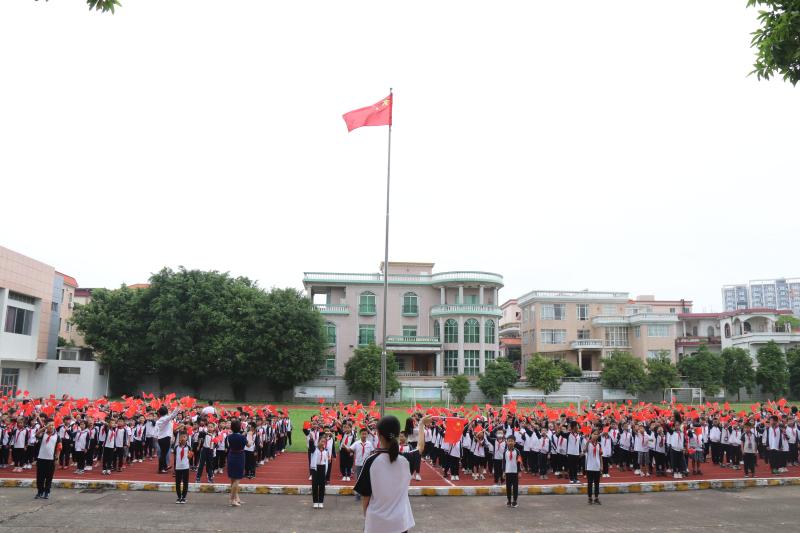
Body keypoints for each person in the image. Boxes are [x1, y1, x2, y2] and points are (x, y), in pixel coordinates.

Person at [354, 415, 416, 533]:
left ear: (379, 435)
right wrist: (421, 425)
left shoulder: (371, 461)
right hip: (401, 522)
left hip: (377, 523)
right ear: (398, 434)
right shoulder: (407, 460)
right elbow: (420, 448)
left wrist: (367, 516)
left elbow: (366, 497)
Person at [35, 421, 60, 500]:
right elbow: (37, 434)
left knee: (49, 477)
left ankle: (47, 492)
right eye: (49, 425)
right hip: (41, 458)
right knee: (40, 477)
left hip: (50, 459)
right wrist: (44, 428)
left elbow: (59, 448)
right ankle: (40, 491)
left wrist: (57, 458)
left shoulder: (57, 436)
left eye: (52, 425)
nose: (51, 427)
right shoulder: (43, 434)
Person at [225, 419, 247, 507]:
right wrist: (247, 435)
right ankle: (232, 499)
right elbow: (249, 444)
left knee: (233, 479)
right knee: (237, 479)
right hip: (239, 456)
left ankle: (236, 498)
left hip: (231, 455)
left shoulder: (229, 436)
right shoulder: (242, 437)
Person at [155, 406, 182, 473]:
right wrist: (177, 407)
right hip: (165, 438)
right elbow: (172, 415)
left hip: (161, 438)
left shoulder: (159, 420)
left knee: (163, 453)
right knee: (163, 454)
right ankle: (161, 469)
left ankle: (164, 466)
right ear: (166, 412)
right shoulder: (165, 419)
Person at [352, 427, 374, 502]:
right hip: (358, 464)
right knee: (358, 479)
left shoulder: (369, 443)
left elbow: (372, 452)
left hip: (366, 464)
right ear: (360, 434)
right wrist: (345, 447)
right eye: (362, 434)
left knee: (367, 479)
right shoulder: (356, 443)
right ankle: (357, 495)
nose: (364, 435)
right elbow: (350, 449)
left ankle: (366, 494)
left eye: (365, 434)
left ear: (367, 435)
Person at [502, 434, 521, 508]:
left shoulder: (517, 451)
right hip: (508, 472)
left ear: (514, 442)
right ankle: (509, 501)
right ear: (507, 442)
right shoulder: (505, 452)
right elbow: (504, 462)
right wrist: (504, 471)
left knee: (515, 487)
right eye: (509, 441)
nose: (510, 442)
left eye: (512, 441)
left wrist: (519, 472)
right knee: (508, 488)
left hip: (515, 472)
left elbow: (519, 462)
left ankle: (515, 501)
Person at [310, 435, 329, 509]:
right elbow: (311, 447)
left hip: (322, 468)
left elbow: (326, 461)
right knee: (315, 485)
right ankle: (315, 502)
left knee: (322, 485)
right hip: (315, 468)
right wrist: (311, 440)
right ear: (318, 441)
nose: (323, 443)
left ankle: (321, 502)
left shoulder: (326, 450)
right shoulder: (314, 449)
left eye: (324, 442)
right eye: (322, 441)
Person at [173, 432, 192, 504]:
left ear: (186, 438)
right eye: (181, 437)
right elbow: (175, 457)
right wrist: (175, 467)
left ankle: (184, 497)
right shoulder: (176, 447)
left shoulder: (188, 447)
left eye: (184, 437)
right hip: (178, 467)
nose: (182, 438)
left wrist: (190, 457)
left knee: (185, 482)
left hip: (185, 467)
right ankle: (179, 497)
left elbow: (190, 457)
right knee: (178, 483)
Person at [584, 431, 602, 505]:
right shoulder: (588, 443)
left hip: (597, 466)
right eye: (594, 434)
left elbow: (600, 456)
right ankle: (590, 498)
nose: (595, 435)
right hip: (590, 466)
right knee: (590, 483)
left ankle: (596, 498)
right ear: (591, 435)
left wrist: (601, 466)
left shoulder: (599, 444)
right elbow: (584, 451)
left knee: (597, 483)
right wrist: (587, 443)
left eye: (597, 434)